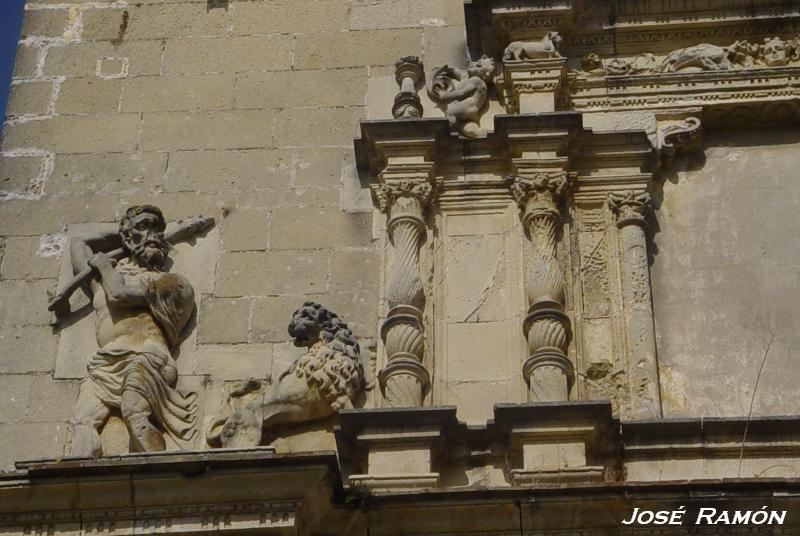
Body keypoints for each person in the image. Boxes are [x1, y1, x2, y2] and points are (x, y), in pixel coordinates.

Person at [68, 205, 197, 457]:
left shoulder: (172, 284)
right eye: (144, 227)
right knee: (83, 423)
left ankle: (158, 470)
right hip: (104, 365)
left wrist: (105, 264)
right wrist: (124, 235)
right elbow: (79, 241)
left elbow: (119, 295)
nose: (154, 234)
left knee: (134, 412)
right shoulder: (98, 282)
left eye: (158, 229)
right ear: (127, 237)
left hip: (148, 359)